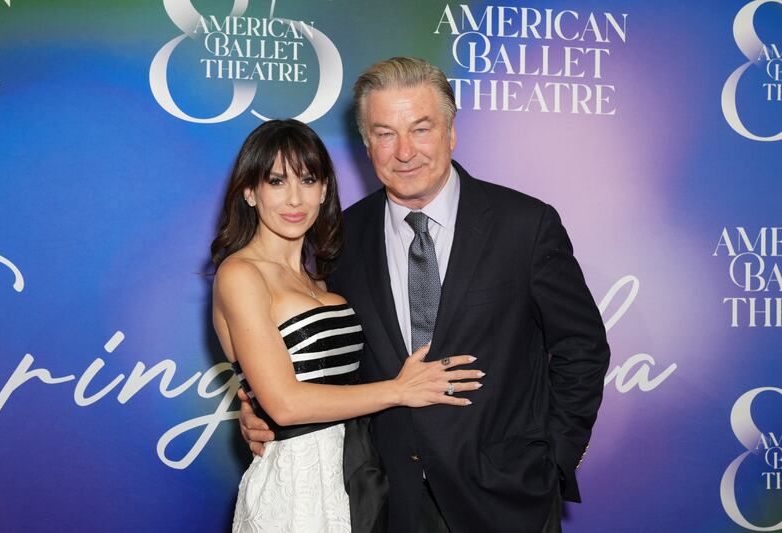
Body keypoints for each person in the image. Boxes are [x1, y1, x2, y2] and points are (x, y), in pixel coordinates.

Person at [241, 58, 611, 533]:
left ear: (451, 131)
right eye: (384, 133)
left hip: (507, 497)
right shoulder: (339, 239)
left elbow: (581, 347)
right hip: (388, 502)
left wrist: (556, 456)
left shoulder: (525, 225)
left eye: (420, 128)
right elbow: (322, 354)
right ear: (366, 143)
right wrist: (259, 411)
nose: (404, 151)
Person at [210, 118, 482, 533]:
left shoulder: (322, 275)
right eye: (276, 182)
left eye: (307, 179)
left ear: (324, 190)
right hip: (298, 483)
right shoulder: (240, 274)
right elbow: (283, 403)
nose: (295, 198)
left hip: (358, 472)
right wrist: (400, 390)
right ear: (250, 191)